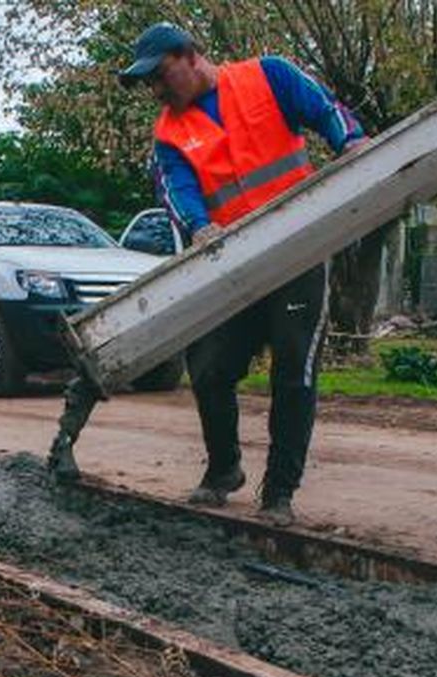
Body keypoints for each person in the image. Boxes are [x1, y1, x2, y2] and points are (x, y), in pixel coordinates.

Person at [120, 23, 366, 527]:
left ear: (190, 56)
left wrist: (351, 143)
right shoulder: (169, 133)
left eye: (159, 75)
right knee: (209, 367)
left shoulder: (269, 76)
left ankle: (279, 493)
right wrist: (198, 225)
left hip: (298, 253)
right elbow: (177, 188)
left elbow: (325, 110)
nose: (156, 90)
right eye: (148, 83)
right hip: (233, 266)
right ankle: (223, 470)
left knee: (293, 370)